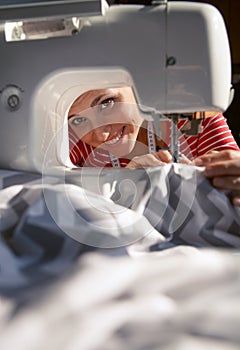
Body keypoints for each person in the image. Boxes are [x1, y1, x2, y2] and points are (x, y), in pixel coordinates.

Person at [68, 85, 239, 168]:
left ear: (136, 83)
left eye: (107, 103)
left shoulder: (194, 117)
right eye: (78, 120)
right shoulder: (73, 137)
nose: (101, 135)